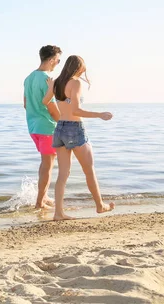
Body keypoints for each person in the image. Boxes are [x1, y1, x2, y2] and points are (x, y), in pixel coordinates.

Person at [43, 55, 115, 221]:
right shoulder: (75, 82)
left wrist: (51, 88)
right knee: (89, 170)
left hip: (59, 128)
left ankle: (58, 213)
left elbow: (46, 101)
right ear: (78, 67)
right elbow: (75, 110)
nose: (85, 69)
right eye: (83, 66)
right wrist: (99, 115)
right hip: (74, 129)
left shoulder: (58, 83)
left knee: (63, 174)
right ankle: (100, 206)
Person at [23, 45, 62, 209]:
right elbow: (52, 108)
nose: (58, 63)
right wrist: (64, 123)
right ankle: (39, 202)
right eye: (58, 60)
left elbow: (25, 104)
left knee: (45, 163)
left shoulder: (29, 78)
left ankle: (44, 196)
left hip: (33, 127)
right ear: (52, 60)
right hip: (47, 127)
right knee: (48, 165)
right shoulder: (47, 80)